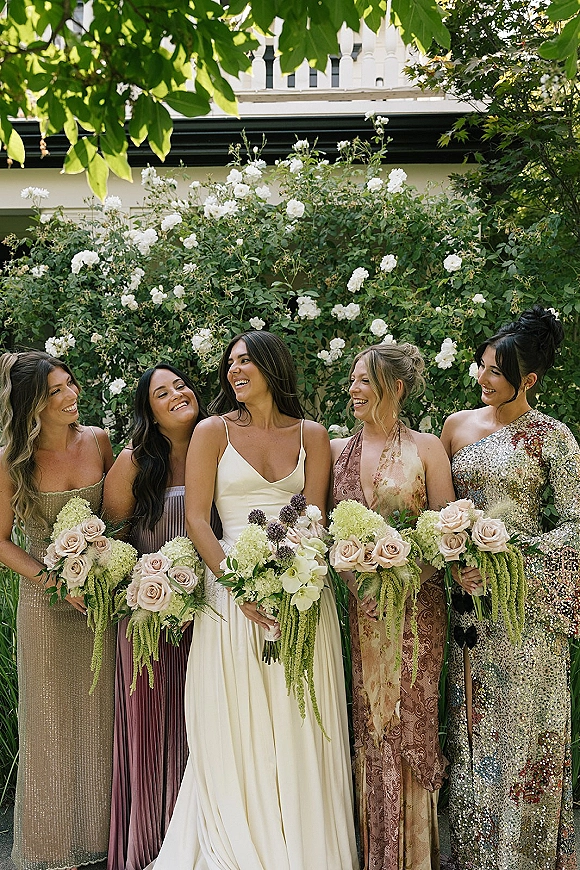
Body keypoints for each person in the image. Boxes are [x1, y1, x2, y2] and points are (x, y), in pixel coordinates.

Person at [151, 330, 358, 870]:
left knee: (300, 719)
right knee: (239, 725)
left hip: (303, 594)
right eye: (230, 363)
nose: (234, 370)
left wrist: (299, 576)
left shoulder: (312, 435)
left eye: (246, 361)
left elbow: (312, 515)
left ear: (273, 366)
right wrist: (241, 589)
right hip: (232, 596)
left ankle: (306, 849)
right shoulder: (210, 432)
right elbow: (198, 519)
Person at [440, 305, 580, 870]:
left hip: (527, 617)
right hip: (470, 614)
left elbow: (574, 523)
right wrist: (453, 560)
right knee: (473, 737)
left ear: (529, 380)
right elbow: (437, 511)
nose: (482, 377)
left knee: (524, 740)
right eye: (481, 366)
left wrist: (515, 564)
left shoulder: (554, 438)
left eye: (496, 372)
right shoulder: (456, 428)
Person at [331, 342, 454, 870]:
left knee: (411, 725)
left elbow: (449, 532)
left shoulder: (427, 448)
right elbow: (321, 529)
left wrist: (407, 576)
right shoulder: (338, 449)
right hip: (358, 615)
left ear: (396, 388)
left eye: (364, 380)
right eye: (353, 380)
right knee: (369, 725)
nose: (353, 389)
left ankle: (415, 858)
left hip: (415, 613)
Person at [0, 350, 115, 870]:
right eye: (55, 391)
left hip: (100, 602)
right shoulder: (10, 463)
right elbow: (1, 541)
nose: (71, 396)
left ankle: (100, 841)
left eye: (70, 383)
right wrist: (52, 581)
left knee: (102, 716)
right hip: (46, 606)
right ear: (32, 407)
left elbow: (119, 516)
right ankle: (49, 850)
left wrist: (111, 569)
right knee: (50, 724)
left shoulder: (97, 441)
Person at [104, 364, 216, 870]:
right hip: (149, 621)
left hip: (212, 619)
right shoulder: (134, 463)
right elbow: (111, 544)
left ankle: (205, 844)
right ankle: (150, 847)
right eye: (161, 393)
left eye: (180, 385)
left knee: (204, 733)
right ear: (148, 411)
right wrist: (150, 589)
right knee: (152, 735)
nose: (177, 395)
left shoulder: (220, 447)